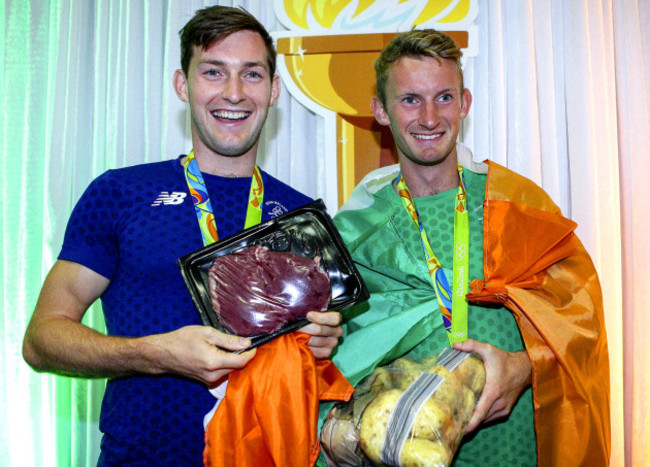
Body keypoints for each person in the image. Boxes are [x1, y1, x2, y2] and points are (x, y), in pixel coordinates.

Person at [22, 6, 343, 465]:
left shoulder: (299, 216)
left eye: (251, 74)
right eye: (213, 72)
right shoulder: (121, 193)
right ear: (183, 84)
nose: (233, 93)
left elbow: (307, 352)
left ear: (273, 90)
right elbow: (42, 339)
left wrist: (319, 343)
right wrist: (156, 354)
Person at [324, 29, 610, 466]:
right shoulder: (356, 228)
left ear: (465, 103)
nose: (429, 118)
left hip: (514, 446)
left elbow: (580, 326)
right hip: (401, 448)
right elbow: (328, 352)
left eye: (443, 98)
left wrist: (524, 367)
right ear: (380, 110)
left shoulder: (515, 202)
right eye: (409, 100)